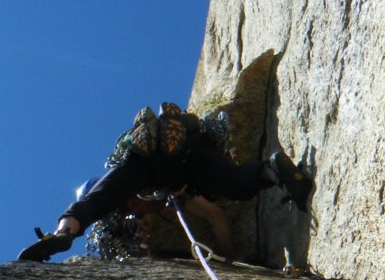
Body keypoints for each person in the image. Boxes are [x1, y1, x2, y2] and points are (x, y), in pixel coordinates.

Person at [17, 102, 313, 263]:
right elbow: (216, 215)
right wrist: (230, 257)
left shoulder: (126, 176)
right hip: (192, 154)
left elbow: (87, 207)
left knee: (224, 185)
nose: (137, 216)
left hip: (160, 165)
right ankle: (275, 171)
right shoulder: (169, 197)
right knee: (232, 184)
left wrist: (61, 236)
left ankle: (273, 173)